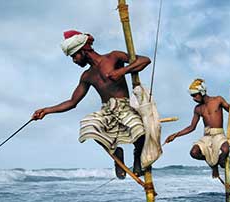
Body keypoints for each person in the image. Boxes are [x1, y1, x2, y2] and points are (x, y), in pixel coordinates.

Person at [32, 30, 151, 178]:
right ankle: (116, 153)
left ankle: (137, 157)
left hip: (125, 107)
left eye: (74, 56)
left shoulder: (113, 57)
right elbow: (72, 102)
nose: (74, 60)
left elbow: (145, 60)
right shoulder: (87, 76)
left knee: (139, 130)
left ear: (83, 51)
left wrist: (122, 72)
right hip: (107, 111)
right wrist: (46, 110)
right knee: (88, 125)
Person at [164, 79, 230, 180]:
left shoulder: (218, 100)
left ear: (202, 92)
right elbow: (192, 127)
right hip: (207, 136)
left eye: (195, 95)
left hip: (218, 134)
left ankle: (218, 163)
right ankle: (213, 165)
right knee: (194, 153)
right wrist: (175, 135)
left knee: (225, 150)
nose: (194, 98)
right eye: (192, 96)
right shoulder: (198, 109)